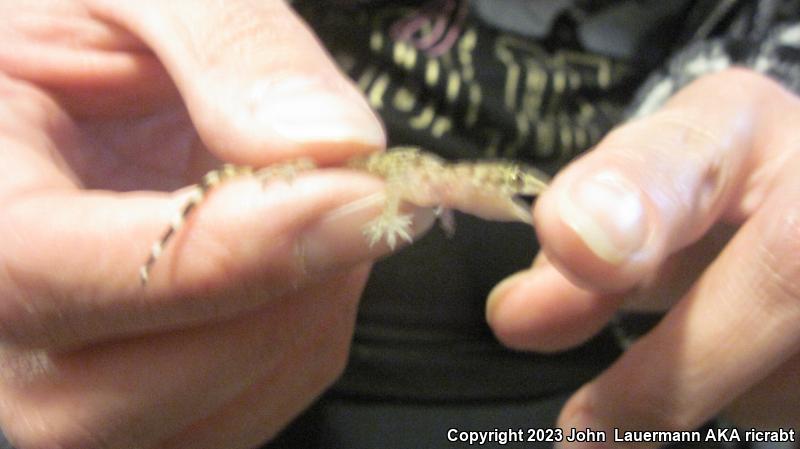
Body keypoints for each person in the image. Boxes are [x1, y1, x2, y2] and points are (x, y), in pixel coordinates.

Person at [0, 1, 797, 449]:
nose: (522, 196)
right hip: (260, 313)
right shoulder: (424, 180)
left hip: (549, 392)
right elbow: (396, 183)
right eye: (512, 188)